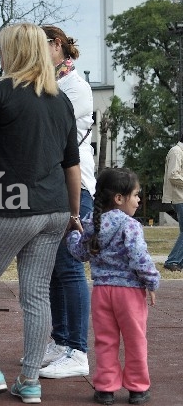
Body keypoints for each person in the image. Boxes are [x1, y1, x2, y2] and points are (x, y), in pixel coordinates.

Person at [0, 23, 81, 403]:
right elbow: (72, 165)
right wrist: (72, 213)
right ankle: (29, 381)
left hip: (10, 207)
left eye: (4, 48)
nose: (0, 55)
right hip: (54, 210)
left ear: (16, 51)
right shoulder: (60, 101)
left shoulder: (0, 93)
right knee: (36, 295)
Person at [66, 168, 159, 406]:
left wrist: (72, 236)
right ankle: (137, 389)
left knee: (105, 340)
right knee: (135, 339)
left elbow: (80, 253)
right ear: (119, 198)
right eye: (136, 195)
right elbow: (139, 258)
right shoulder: (130, 225)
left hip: (102, 292)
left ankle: (105, 388)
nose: (139, 201)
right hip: (129, 292)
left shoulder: (91, 223)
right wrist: (151, 281)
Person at [36, 25, 95, 379]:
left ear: (57, 45)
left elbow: (52, 133)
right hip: (51, 184)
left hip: (76, 186)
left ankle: (77, 350)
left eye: (40, 46)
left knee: (70, 265)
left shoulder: (75, 87)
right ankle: (61, 340)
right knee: (56, 267)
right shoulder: (50, 83)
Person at [162, 134, 183, 271]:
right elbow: (173, 175)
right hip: (180, 197)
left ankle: (178, 261)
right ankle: (173, 260)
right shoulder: (176, 151)